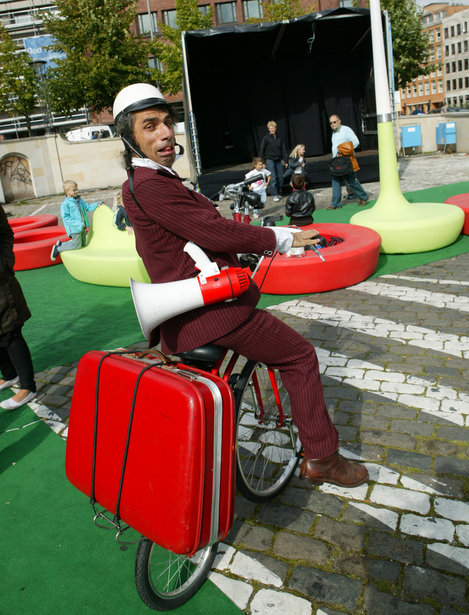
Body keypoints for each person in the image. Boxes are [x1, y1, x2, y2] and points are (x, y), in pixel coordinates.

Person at [112, 83, 369, 488]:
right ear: (130, 137)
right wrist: (280, 238)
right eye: (150, 126)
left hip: (186, 314)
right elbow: (212, 232)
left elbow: (194, 234)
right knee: (300, 357)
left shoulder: (141, 183)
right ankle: (323, 457)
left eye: (166, 122)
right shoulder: (151, 185)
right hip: (213, 313)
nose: (164, 132)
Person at [0, 206, 37, 410]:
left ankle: (28, 387)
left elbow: (6, 234)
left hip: (1, 284)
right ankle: (9, 375)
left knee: (10, 332)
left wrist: (4, 264)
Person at [51, 180, 103, 260]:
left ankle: (61, 243)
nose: (77, 191)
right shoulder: (65, 204)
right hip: (75, 229)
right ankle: (58, 248)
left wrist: (97, 204)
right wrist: (78, 224)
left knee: (83, 244)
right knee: (77, 245)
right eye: (74, 190)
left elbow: (87, 207)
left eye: (77, 189)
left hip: (82, 227)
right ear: (67, 191)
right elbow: (66, 218)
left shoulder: (78, 200)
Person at [328, 114, 369, 210]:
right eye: (331, 123)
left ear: (339, 121)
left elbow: (356, 142)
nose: (332, 124)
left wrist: (344, 149)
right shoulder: (334, 133)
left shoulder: (346, 130)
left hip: (346, 160)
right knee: (335, 181)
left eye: (334, 122)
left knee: (352, 181)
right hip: (336, 161)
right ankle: (335, 203)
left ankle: (364, 197)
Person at [259, 121, 288, 202]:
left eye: (273, 128)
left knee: (282, 176)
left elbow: (284, 150)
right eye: (270, 128)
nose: (272, 130)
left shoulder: (279, 138)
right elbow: (261, 150)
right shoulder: (266, 138)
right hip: (269, 160)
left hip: (278, 159)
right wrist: (262, 163)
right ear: (268, 129)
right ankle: (274, 194)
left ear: (275, 128)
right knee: (273, 177)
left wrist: (286, 161)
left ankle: (277, 192)